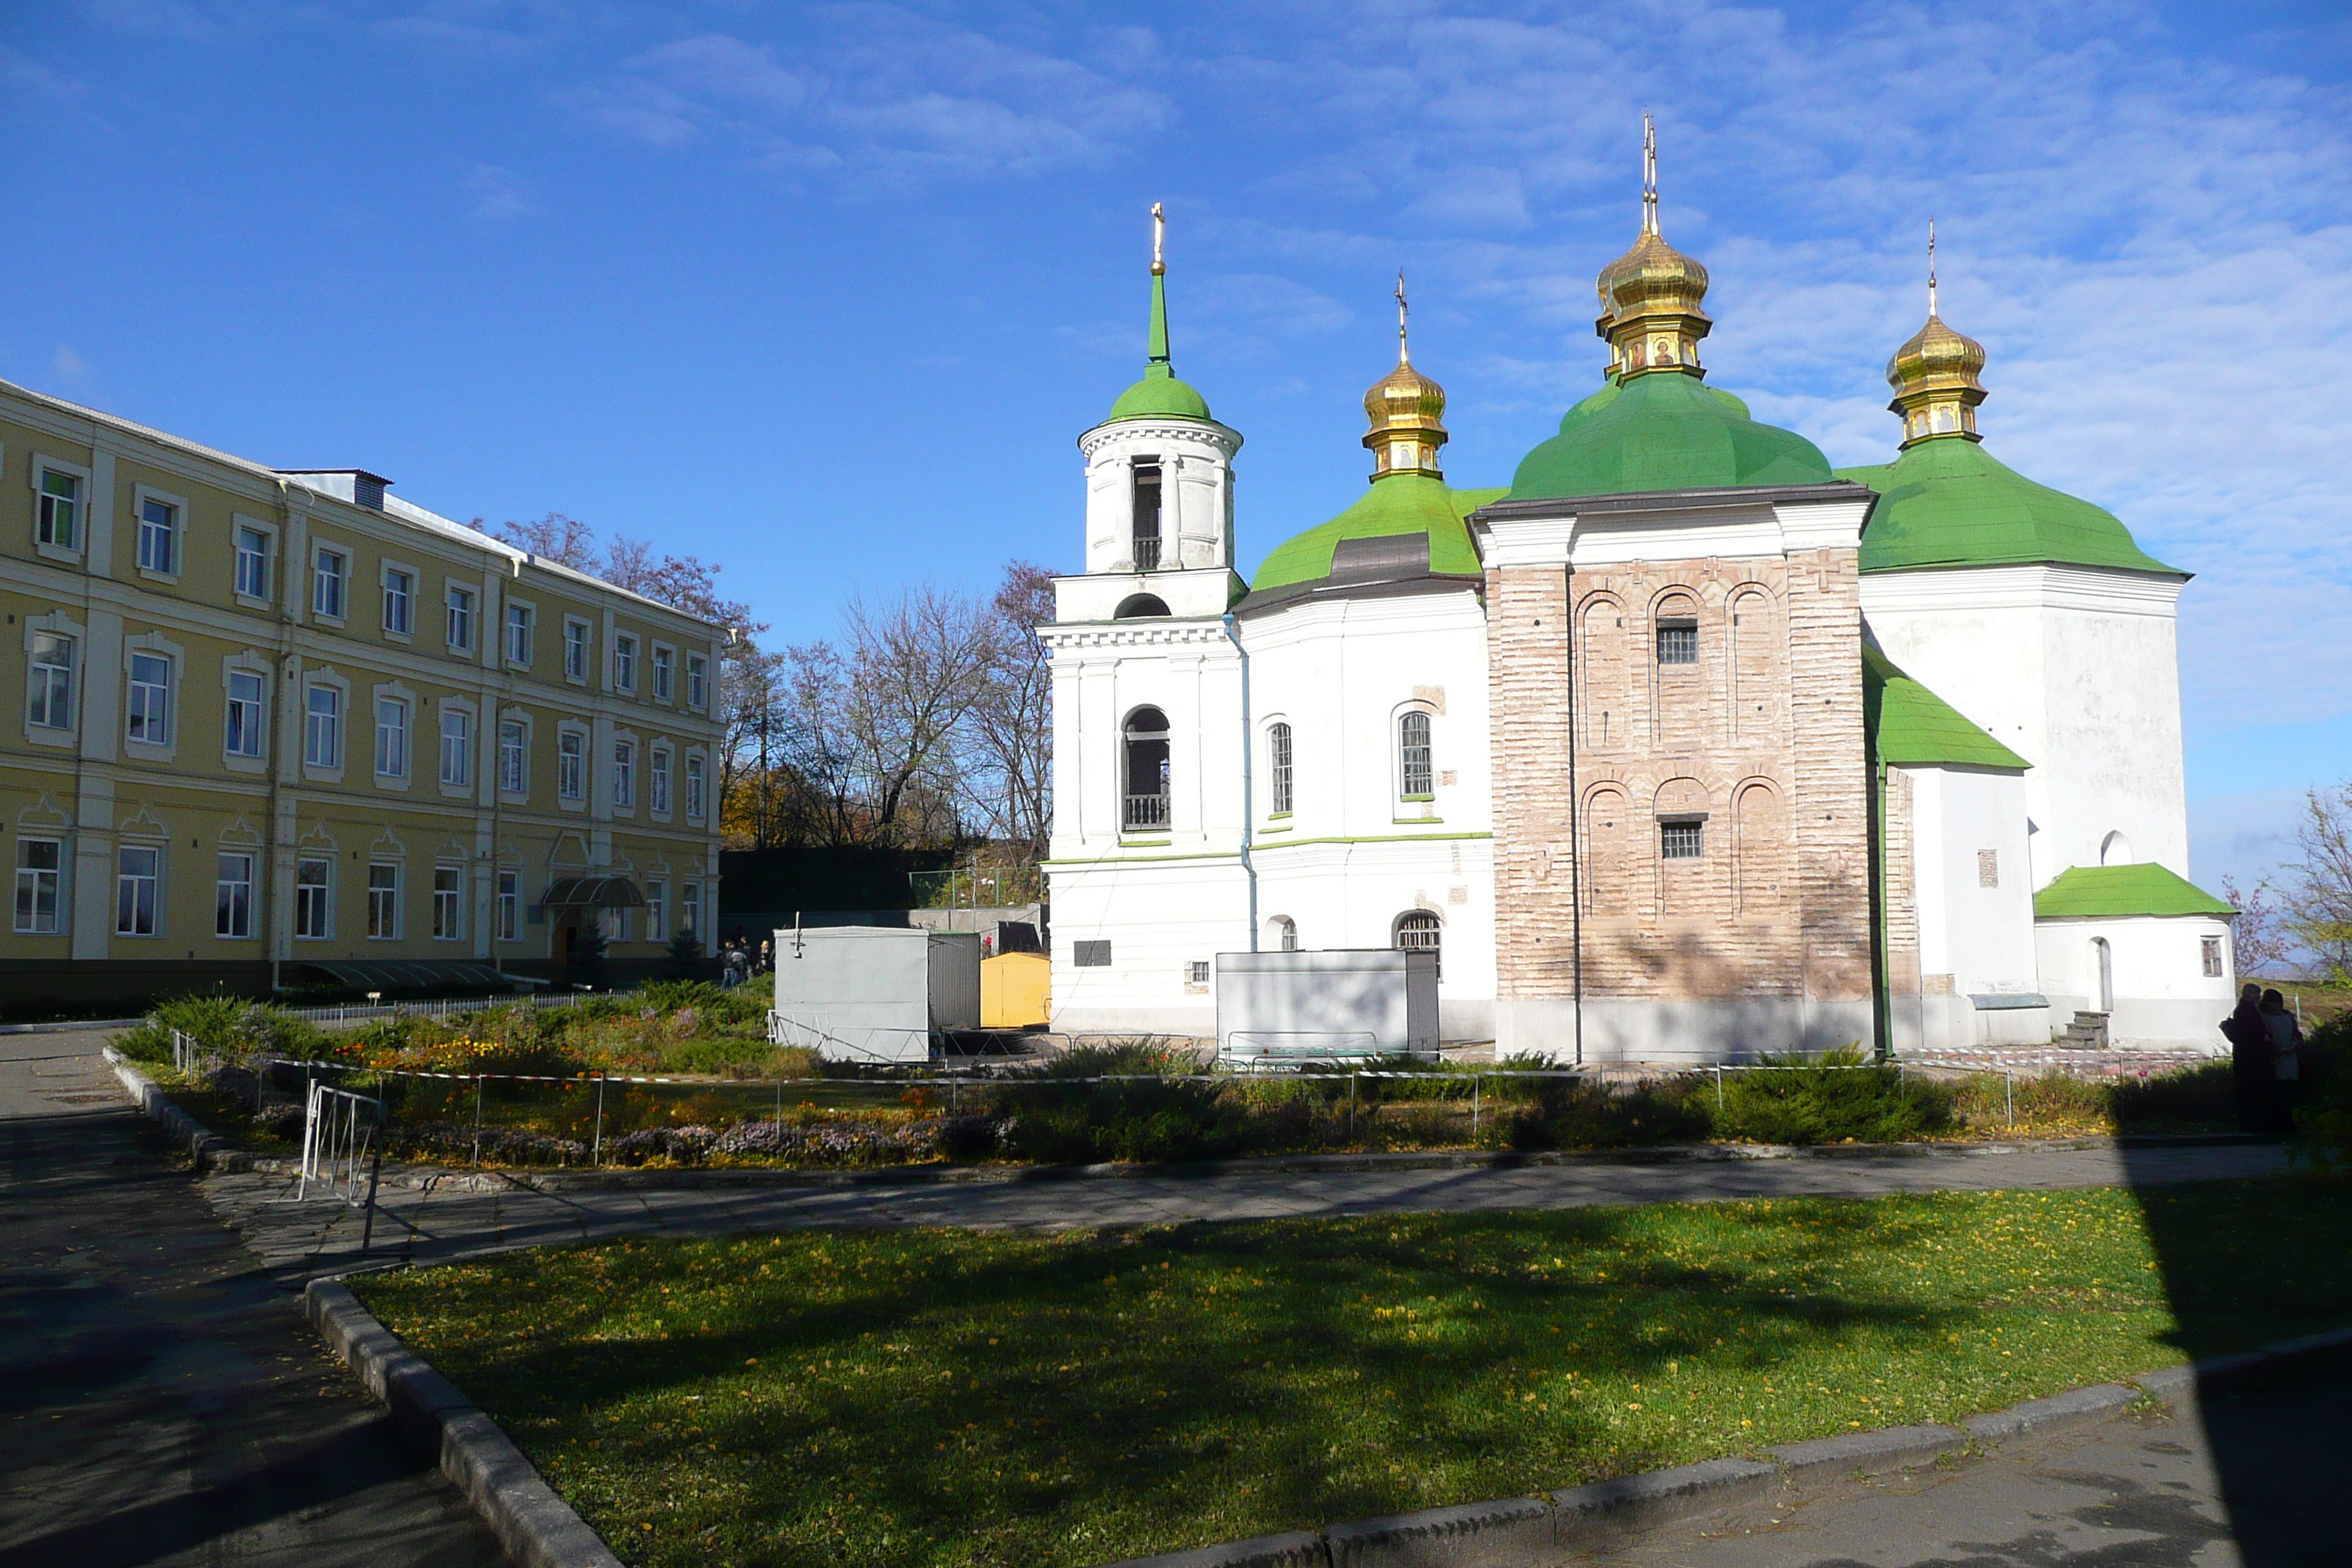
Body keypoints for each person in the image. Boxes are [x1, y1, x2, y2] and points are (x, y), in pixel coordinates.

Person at [2221, 982, 2269, 1134]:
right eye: (2256, 994)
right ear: (2248, 994)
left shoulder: (2243, 1009)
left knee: (2247, 1090)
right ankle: (2251, 1124)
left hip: (2245, 1054)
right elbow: (2252, 1033)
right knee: (2251, 1090)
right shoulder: (2247, 1011)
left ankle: (2249, 1123)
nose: (2259, 997)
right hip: (2250, 1055)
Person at [2259, 988, 2302, 1135]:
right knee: (2277, 1091)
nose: (2276, 1005)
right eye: (2272, 1002)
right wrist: (2275, 1049)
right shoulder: (2263, 1018)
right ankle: (2278, 1123)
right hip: (2275, 1059)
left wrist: (2294, 1045)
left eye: (2278, 1002)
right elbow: (2264, 1038)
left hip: (2290, 1058)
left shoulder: (2287, 1016)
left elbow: (2296, 1034)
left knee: (2290, 1090)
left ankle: (2291, 1122)